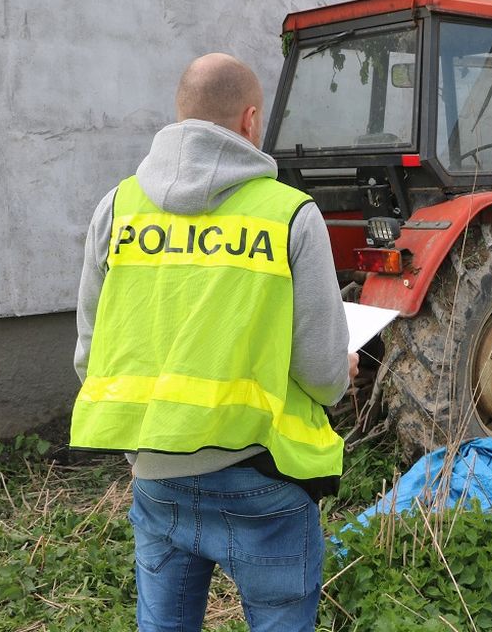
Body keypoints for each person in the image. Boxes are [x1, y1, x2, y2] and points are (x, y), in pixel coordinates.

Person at [70, 53, 358, 631]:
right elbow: (323, 374)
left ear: (178, 116)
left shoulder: (117, 209)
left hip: (157, 481)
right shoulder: (290, 216)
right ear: (250, 120)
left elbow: (90, 360)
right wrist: (342, 365)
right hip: (263, 480)